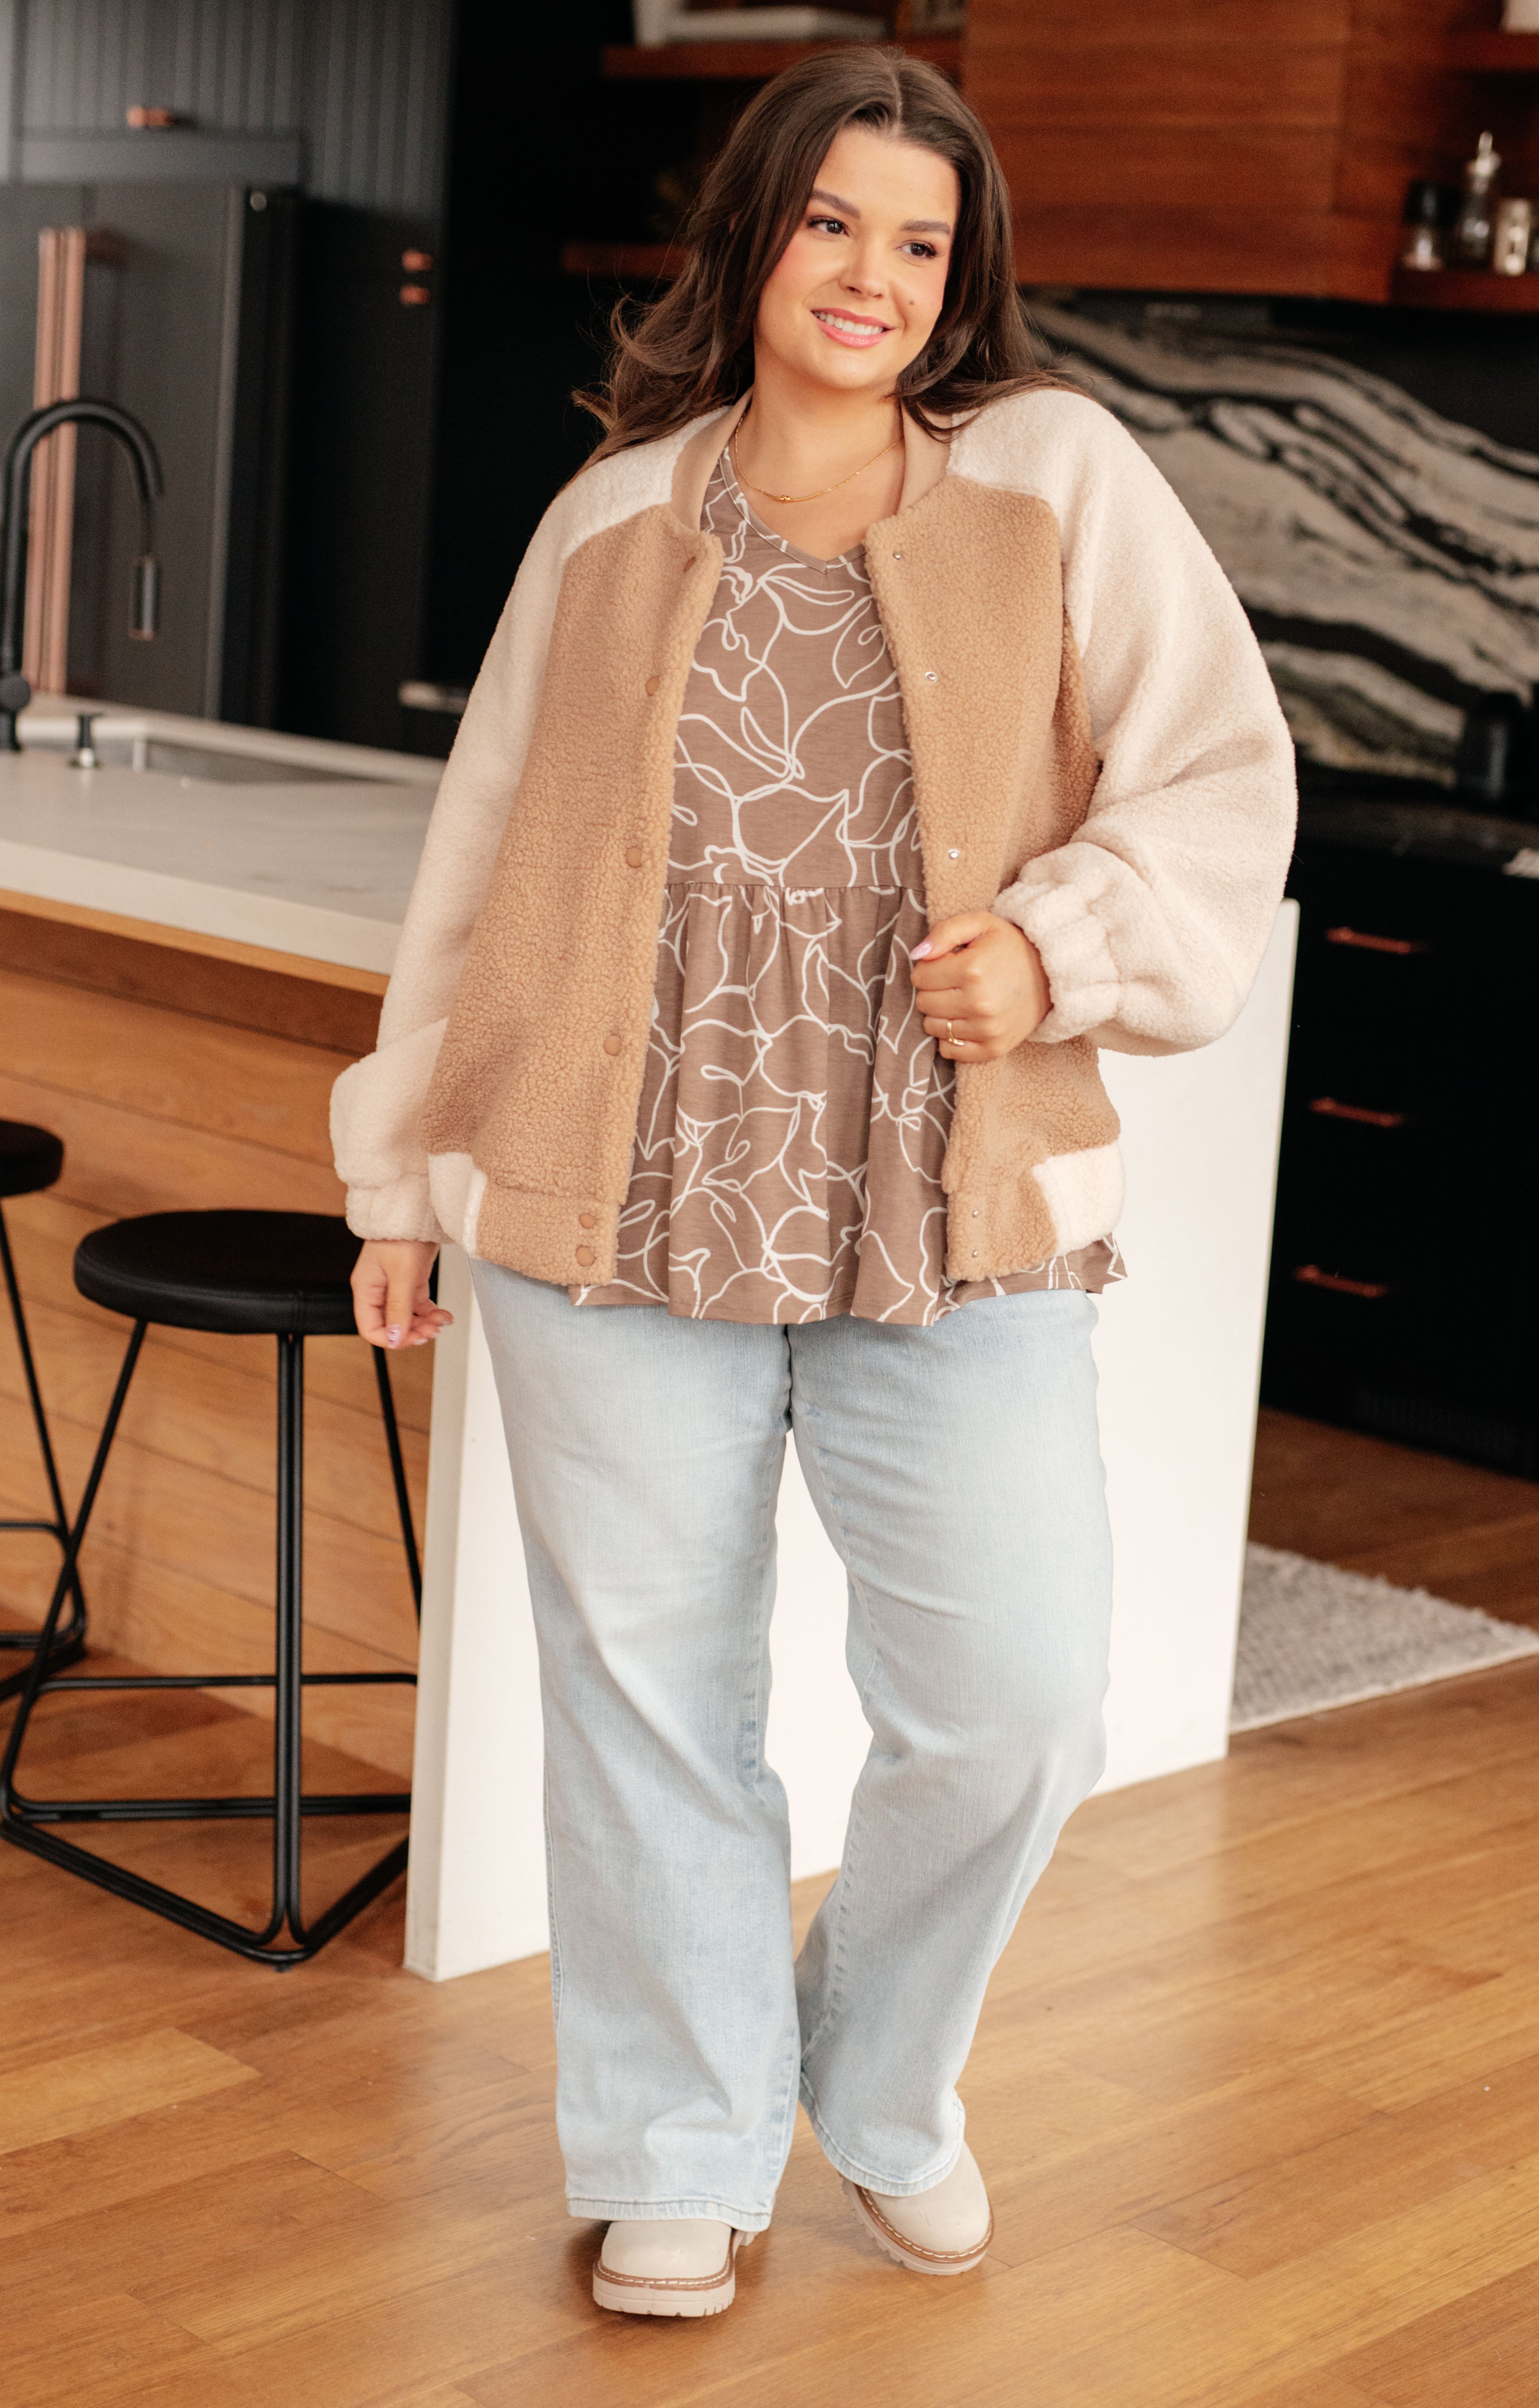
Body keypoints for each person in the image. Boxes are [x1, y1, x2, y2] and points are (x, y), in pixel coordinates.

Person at [332, 47, 1295, 2319]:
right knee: (649, 1692)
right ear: (755, 233)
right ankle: (679, 2141)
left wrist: (1055, 949)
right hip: (613, 1189)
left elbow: (1218, 780)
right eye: (835, 223)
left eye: (920, 242)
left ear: (962, 279)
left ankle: (874, 2074)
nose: (873, 276)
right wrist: (397, 1174)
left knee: (1021, 1696)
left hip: (940, 1199)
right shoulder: (610, 515)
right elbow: (484, 859)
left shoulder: (1056, 474)